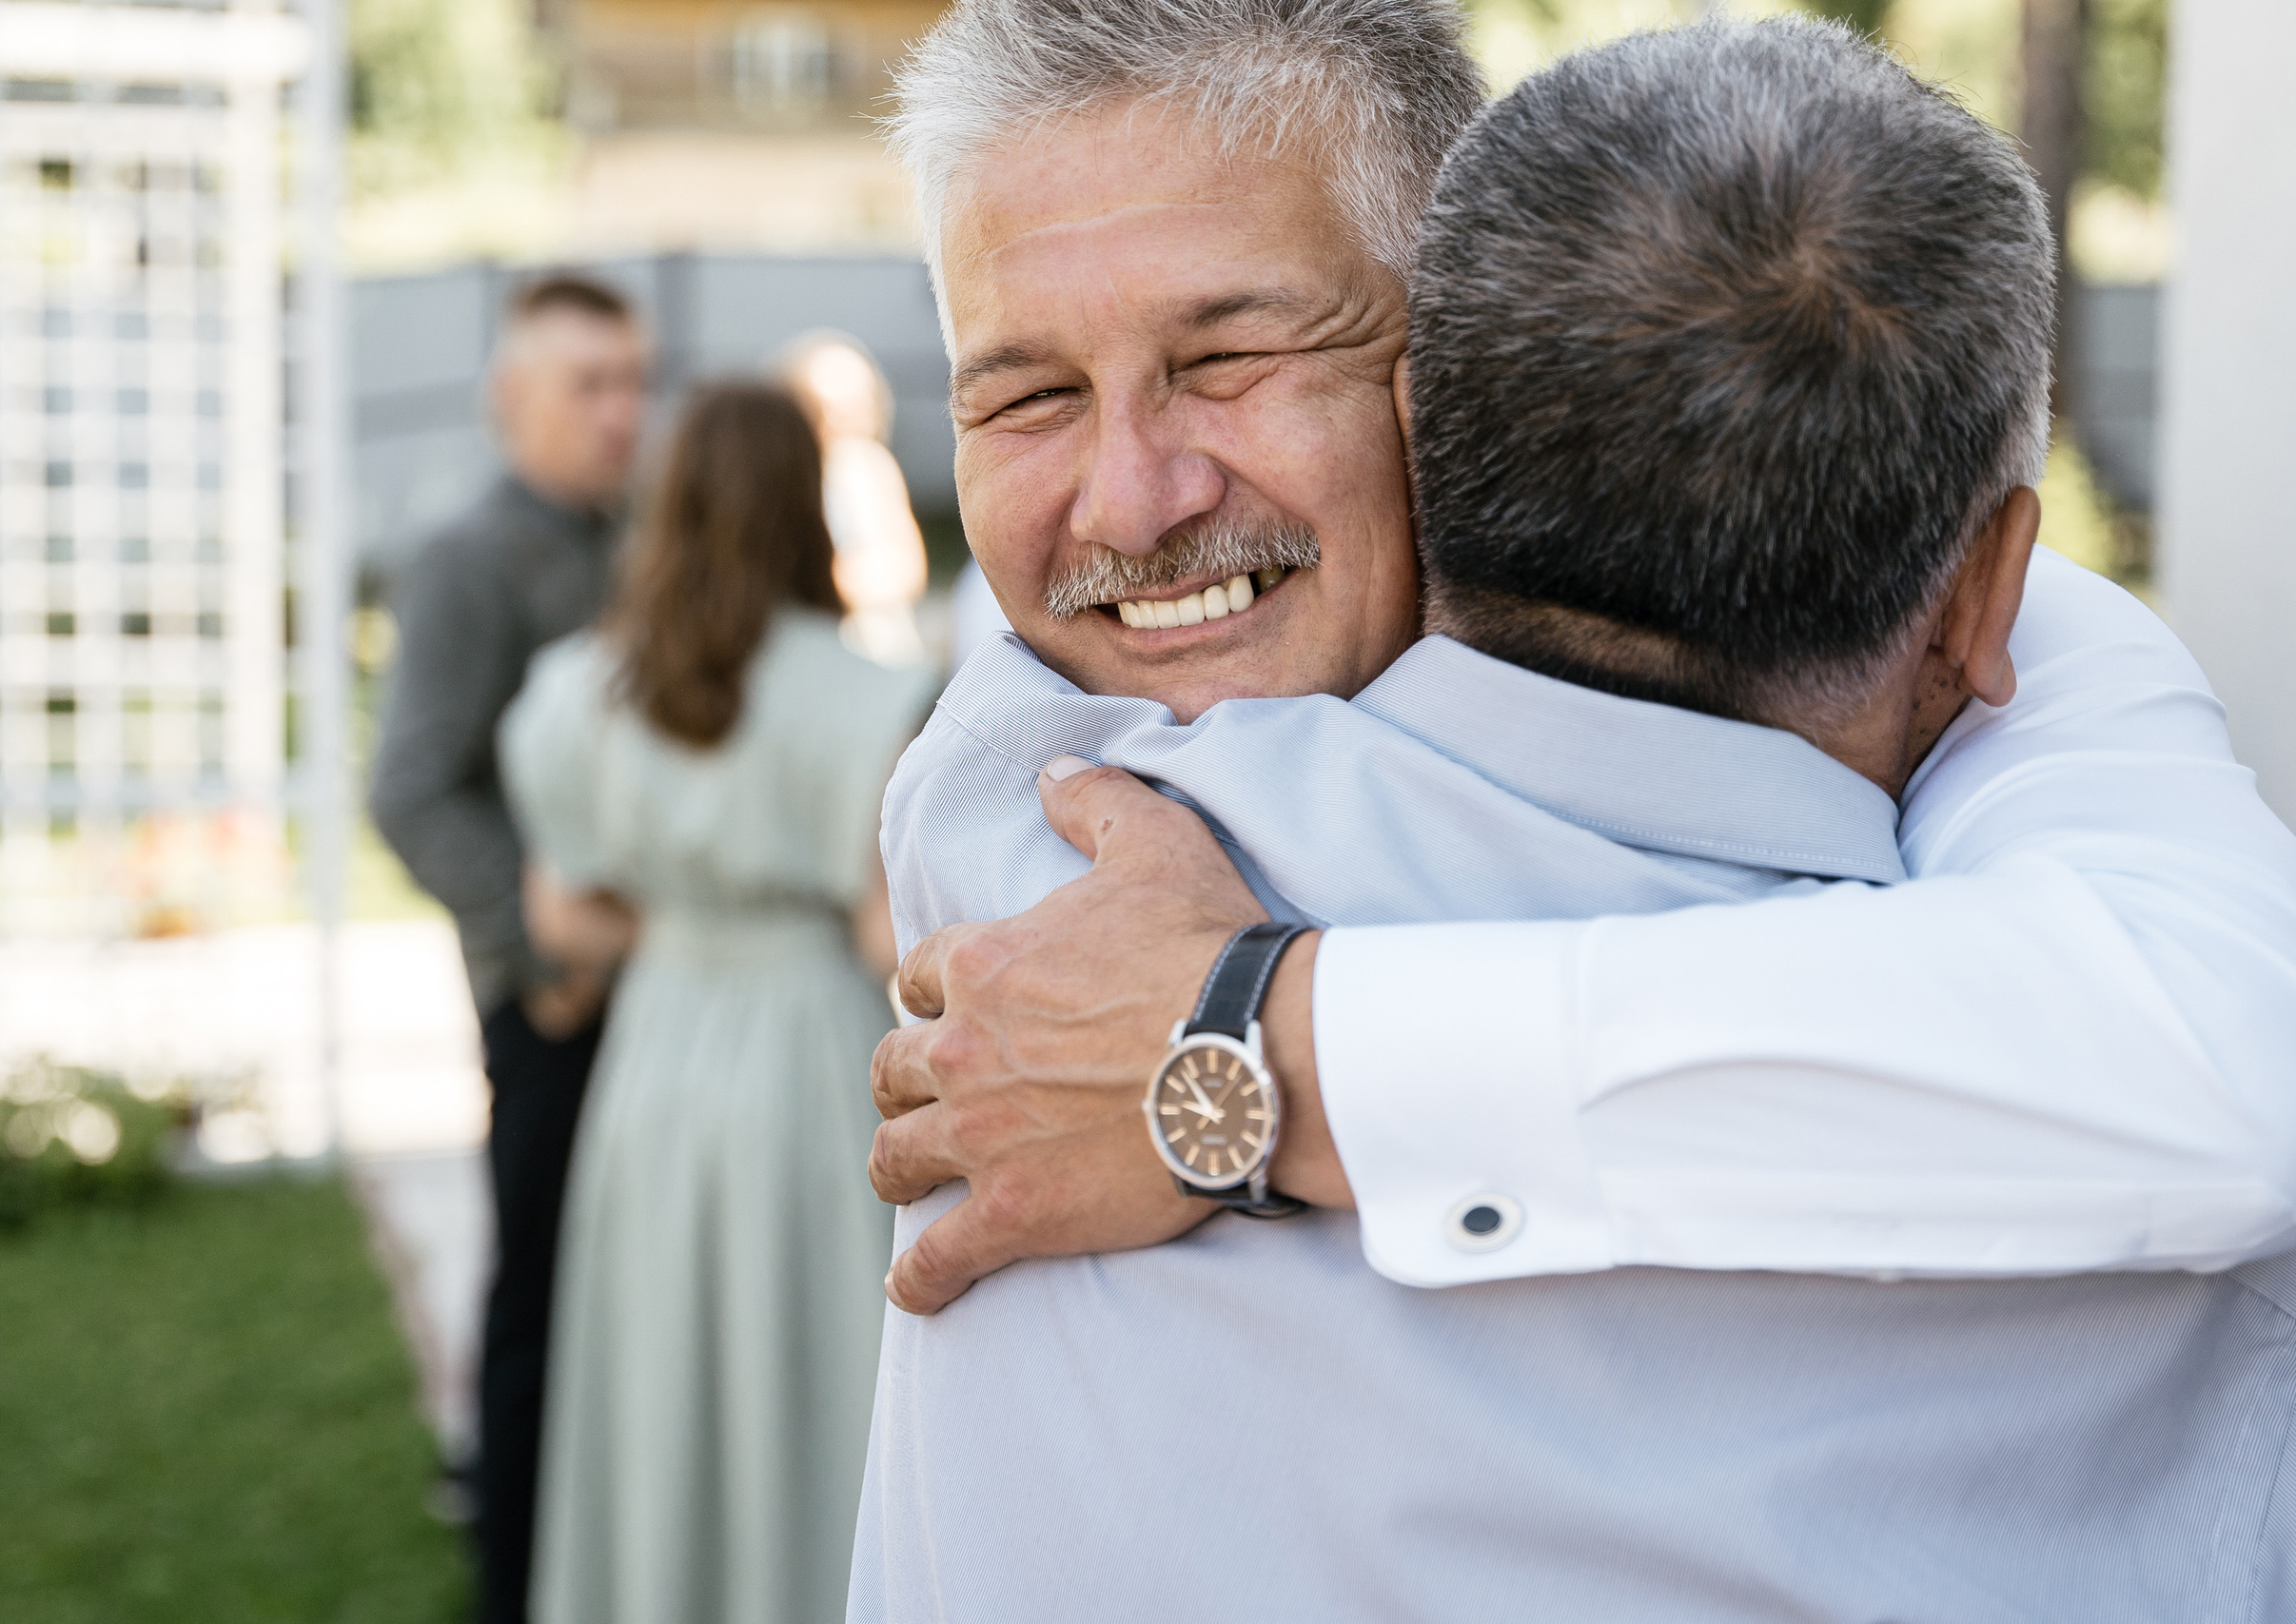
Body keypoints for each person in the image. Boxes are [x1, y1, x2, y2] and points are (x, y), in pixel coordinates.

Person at [844, 8, 2296, 1620]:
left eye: (1233, 356)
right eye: (1026, 397)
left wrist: (1254, 1046)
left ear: (1451, 366)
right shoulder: (1040, 829)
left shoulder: (1014, 827)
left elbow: (2238, 1065)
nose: (1132, 502)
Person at [500, 382, 933, 1624]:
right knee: (817, 1372)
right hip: (812, 1048)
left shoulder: (578, 689)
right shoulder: (867, 694)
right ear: (805, 502)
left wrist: (686, 916)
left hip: (658, 1049)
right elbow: (884, 932)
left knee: (661, 1374)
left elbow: (564, 914)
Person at [367, 272, 648, 1624]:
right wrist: (541, 956)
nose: (621, 413)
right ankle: (518, 1579)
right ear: (510, 399)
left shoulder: (638, 532)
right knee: (540, 1296)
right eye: (589, 386)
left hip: (659, 983)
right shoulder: (472, 555)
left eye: (634, 382)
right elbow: (413, 786)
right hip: (549, 1000)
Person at [781, 331, 932, 667]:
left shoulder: (869, 468)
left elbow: (908, 565)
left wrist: (848, 579)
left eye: (848, 409)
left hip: (874, 641)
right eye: (820, 410)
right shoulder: (787, 479)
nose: (834, 423)